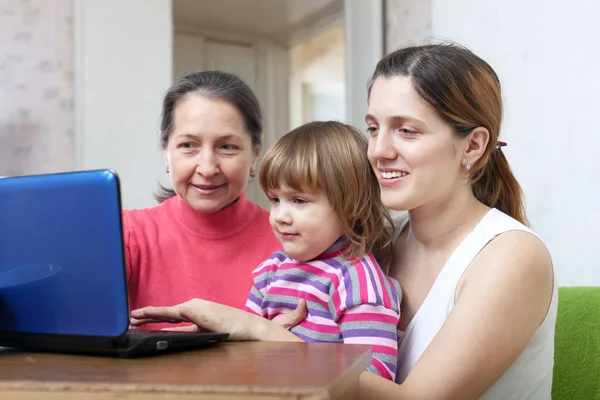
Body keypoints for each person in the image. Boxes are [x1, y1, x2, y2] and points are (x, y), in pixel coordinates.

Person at [130, 43, 556, 399]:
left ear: (474, 145)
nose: (379, 151)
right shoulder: (379, 248)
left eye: (406, 131)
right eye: (373, 129)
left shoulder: (511, 257)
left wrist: (260, 334)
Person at [244, 121, 402, 381]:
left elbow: (376, 374)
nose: (280, 216)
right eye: (275, 199)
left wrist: (285, 347)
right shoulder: (270, 270)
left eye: (299, 200)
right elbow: (240, 349)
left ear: (349, 208)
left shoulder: (356, 281)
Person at [123, 70, 280, 329]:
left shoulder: (292, 241)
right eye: (188, 145)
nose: (207, 168)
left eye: (227, 147)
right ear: (165, 152)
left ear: (254, 154)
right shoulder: (126, 233)